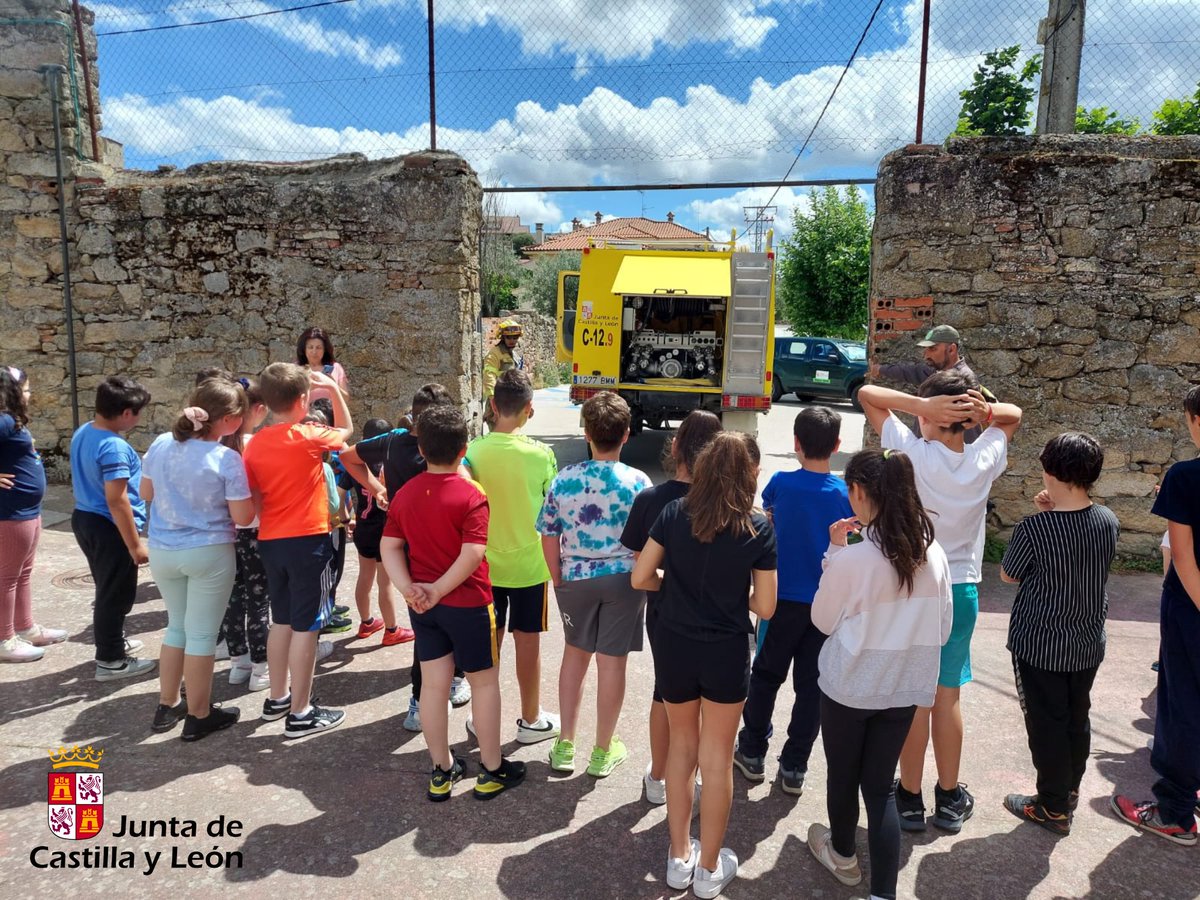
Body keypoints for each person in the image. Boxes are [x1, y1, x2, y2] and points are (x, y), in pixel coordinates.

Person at [858, 373, 1022, 833]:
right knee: (947, 697)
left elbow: (868, 396)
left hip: (917, 585)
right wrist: (977, 412)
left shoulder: (911, 454)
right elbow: (1014, 416)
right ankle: (948, 796)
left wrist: (921, 405)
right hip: (963, 588)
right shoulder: (982, 456)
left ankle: (908, 797)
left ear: (930, 415)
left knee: (916, 698)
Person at [631, 432, 777, 899]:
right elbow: (767, 607)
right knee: (717, 760)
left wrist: (670, 583)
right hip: (726, 648)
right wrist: (735, 599)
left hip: (674, 641)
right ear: (748, 475)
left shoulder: (675, 513)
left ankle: (678, 857)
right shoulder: (758, 527)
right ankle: (710, 867)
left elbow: (640, 576)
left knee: (681, 750)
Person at [807, 449, 953, 900]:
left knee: (842, 775)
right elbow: (943, 628)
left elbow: (822, 620)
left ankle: (844, 855)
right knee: (881, 788)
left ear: (861, 492)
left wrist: (833, 552)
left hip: (850, 685)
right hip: (904, 686)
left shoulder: (855, 557)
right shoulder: (936, 553)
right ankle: (883, 893)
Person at [379, 405, 527, 801]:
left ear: (421, 450)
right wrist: (439, 589)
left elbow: (389, 545)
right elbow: (473, 553)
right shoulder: (470, 494)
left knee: (433, 685)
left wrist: (411, 588)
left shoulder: (406, 494)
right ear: (464, 450)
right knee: (484, 683)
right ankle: (492, 768)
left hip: (424, 608)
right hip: (468, 603)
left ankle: (441, 768)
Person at [999, 432, 1119, 836]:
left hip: (1041, 644)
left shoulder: (1035, 529)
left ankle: (1051, 806)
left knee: (1046, 723)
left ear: (1050, 472)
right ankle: (1067, 791)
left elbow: (1008, 573)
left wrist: (1044, 516)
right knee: (1076, 718)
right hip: (1086, 641)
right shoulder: (1108, 520)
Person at [735, 407, 853, 795]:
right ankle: (795, 765)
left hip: (779, 600)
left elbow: (767, 514)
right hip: (824, 607)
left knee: (765, 676)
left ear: (796, 444)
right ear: (837, 446)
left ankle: (752, 751)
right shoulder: (843, 494)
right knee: (812, 687)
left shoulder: (781, 483)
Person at [340, 383, 469, 729]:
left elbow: (347, 456)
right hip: (443, 547)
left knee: (424, 621)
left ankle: (422, 698)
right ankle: (442, 685)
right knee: (447, 619)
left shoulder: (392, 440)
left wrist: (378, 489)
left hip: (406, 544)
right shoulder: (445, 450)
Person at [538, 391, 651, 779]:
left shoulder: (564, 479)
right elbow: (645, 542)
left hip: (575, 577)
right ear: (626, 435)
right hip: (623, 581)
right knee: (612, 663)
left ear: (586, 433)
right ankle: (603, 749)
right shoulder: (638, 482)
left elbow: (549, 534)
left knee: (575, 656)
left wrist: (557, 576)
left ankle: (566, 742)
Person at [243, 363, 352, 738]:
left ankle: (278, 697)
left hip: (272, 540)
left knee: (283, 620)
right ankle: (302, 712)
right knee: (308, 626)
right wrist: (335, 392)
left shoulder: (255, 442)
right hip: (309, 541)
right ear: (304, 399)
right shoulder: (309, 435)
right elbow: (347, 432)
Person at [1112, 385, 1200, 846]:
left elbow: (1183, 557)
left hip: (1192, 611)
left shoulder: (1185, 476)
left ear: (1196, 420)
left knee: (1183, 706)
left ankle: (1175, 813)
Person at [620, 409, 722, 805]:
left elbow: (635, 559)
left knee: (667, 694)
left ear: (675, 446)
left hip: (664, 611)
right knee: (706, 701)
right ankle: (692, 775)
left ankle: (661, 775)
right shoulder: (726, 503)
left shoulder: (652, 500)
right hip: (717, 612)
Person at [143, 380, 255, 740]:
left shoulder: (161, 443)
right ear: (232, 419)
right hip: (209, 550)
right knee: (203, 634)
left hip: (163, 549)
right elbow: (242, 516)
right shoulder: (226, 458)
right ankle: (199, 714)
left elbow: (146, 492)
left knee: (177, 626)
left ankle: (168, 703)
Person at [463, 370, 560, 743]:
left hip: (484, 565)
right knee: (528, 642)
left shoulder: (473, 452)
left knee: (490, 644)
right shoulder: (542, 455)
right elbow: (551, 510)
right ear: (529, 410)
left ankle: (479, 716)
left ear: (492, 406)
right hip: (529, 566)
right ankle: (530, 718)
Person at [70, 375, 156, 682]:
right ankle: (110, 660)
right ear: (126, 414)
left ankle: (113, 642)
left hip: (84, 519)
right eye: (139, 412)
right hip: (109, 526)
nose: (139, 418)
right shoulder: (114, 448)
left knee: (107, 589)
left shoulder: (84, 432)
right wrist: (135, 545)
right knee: (114, 594)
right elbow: (117, 499)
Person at [0, 367, 67, 662]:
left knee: (22, 573)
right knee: (7, 577)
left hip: (26, 510)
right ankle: (4, 639)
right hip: (10, 512)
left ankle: (25, 628)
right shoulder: (2, 421)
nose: (30, 394)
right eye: (26, 389)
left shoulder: (10, 421)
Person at [221, 377, 273, 691]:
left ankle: (238, 662)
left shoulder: (220, 444)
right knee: (259, 602)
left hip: (226, 532)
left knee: (233, 598)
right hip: (255, 530)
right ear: (258, 408)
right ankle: (261, 668)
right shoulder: (256, 444)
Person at [342, 417, 413, 645]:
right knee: (385, 583)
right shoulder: (388, 465)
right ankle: (392, 630)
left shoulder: (357, 466)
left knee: (365, 576)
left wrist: (345, 517)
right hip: (384, 529)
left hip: (363, 527)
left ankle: (366, 621)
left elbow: (340, 491)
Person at [869, 325, 996, 443]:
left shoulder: (963, 381)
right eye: (926, 349)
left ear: (951, 349)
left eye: (932, 349)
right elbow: (910, 371)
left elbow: (967, 430)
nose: (926, 355)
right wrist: (880, 369)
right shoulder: (938, 371)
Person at [482, 319, 524, 429]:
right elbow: (489, 376)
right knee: (497, 437)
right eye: (508, 337)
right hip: (497, 402)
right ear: (502, 337)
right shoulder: (494, 354)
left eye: (515, 337)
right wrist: (493, 401)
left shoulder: (515, 356)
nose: (512, 340)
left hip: (512, 403)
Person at [297, 327, 350, 403]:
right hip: (305, 414)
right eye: (310, 347)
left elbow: (346, 399)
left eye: (318, 348)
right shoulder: (296, 369)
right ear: (304, 349)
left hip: (331, 414)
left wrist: (333, 384)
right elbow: (287, 401)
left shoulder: (335, 368)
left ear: (325, 350)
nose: (314, 352)